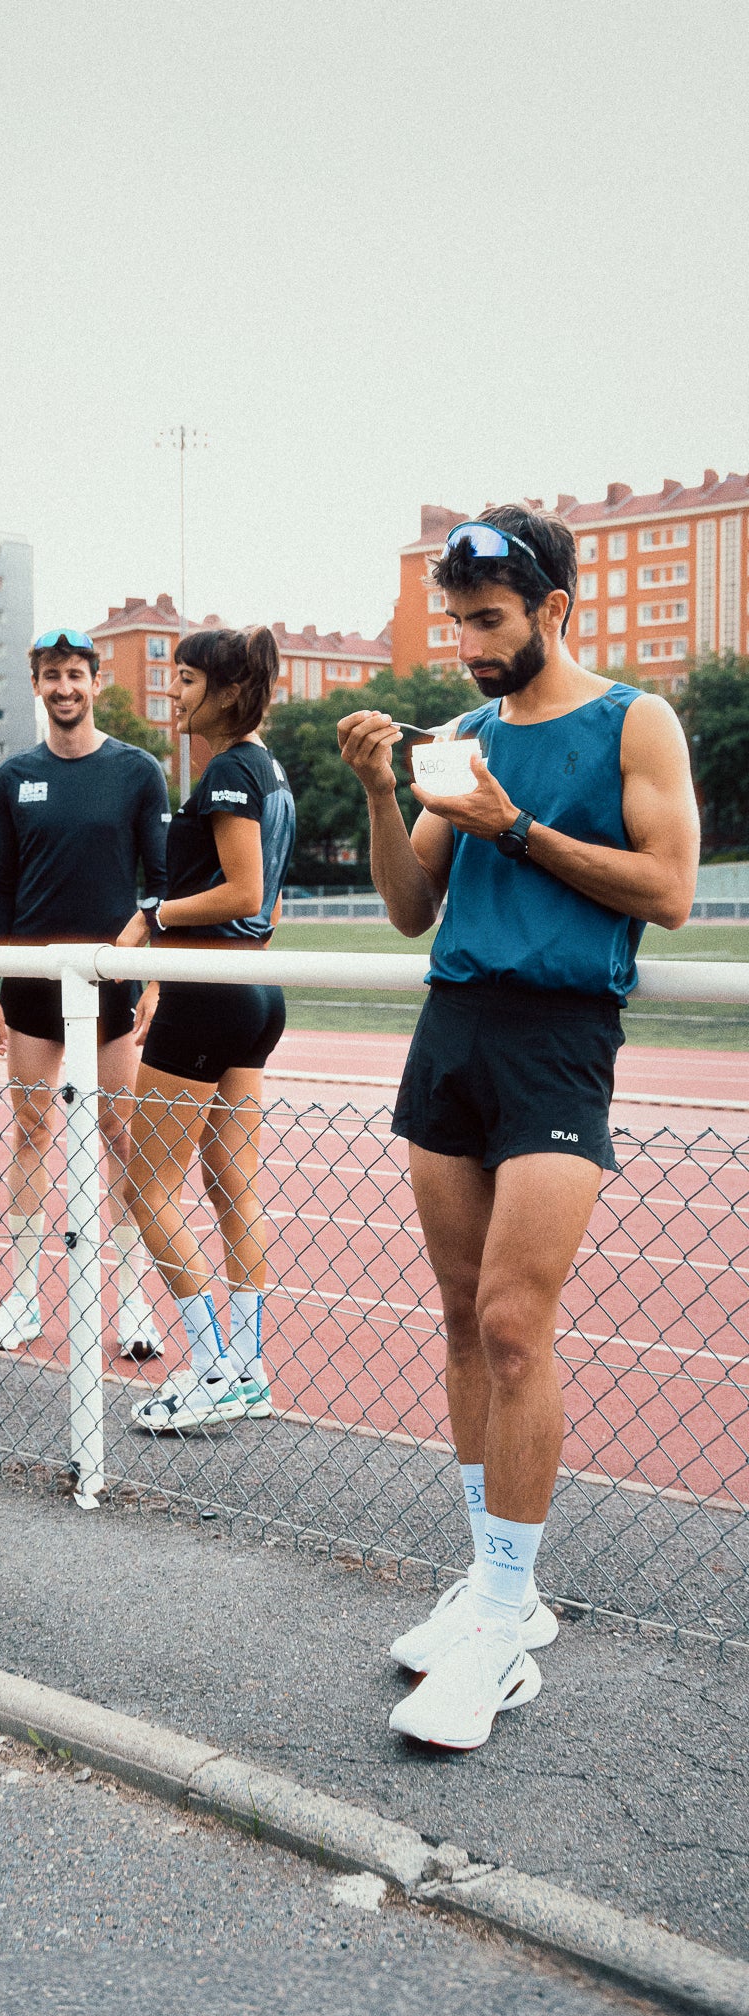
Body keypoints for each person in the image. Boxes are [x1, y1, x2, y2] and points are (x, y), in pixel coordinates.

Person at [338, 504, 699, 1750]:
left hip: (557, 1034)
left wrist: (520, 831)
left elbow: (671, 889)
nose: (470, 645)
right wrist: (388, 790)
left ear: (553, 607)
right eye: (458, 622)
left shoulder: (631, 719)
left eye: (489, 621)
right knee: (454, 1314)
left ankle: (501, 1626)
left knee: (510, 1322)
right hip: (454, 1027)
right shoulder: (465, 732)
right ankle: (497, 1584)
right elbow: (404, 906)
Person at [0, 629, 171, 1360]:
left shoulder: (136, 771)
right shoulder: (13, 776)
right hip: (30, 979)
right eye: (52, 675)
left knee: (121, 1138)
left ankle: (134, 1305)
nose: (65, 688)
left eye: (76, 675)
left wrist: (154, 979)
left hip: (110, 981)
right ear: (37, 683)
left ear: (95, 683)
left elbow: (162, 887)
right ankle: (24, 1294)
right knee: (31, 1133)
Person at [117, 626, 296, 1433]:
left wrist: (151, 914)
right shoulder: (271, 770)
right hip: (254, 989)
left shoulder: (228, 769)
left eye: (185, 679)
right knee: (232, 1187)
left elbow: (244, 890)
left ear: (226, 691)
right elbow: (272, 906)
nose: (174, 694)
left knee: (145, 1187)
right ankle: (249, 1371)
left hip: (208, 992)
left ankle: (216, 1369)